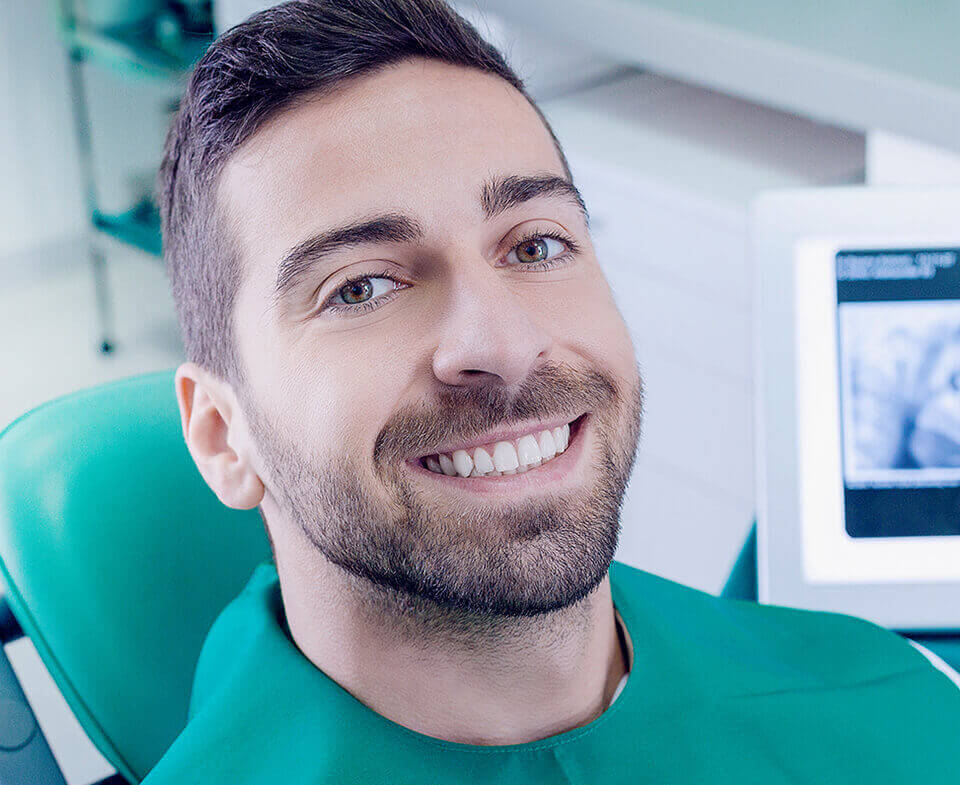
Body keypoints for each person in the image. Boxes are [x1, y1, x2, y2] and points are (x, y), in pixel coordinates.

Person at [143, 1, 960, 782]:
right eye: (360, 288)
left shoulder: (904, 699)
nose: (503, 344)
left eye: (535, 244)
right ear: (221, 434)